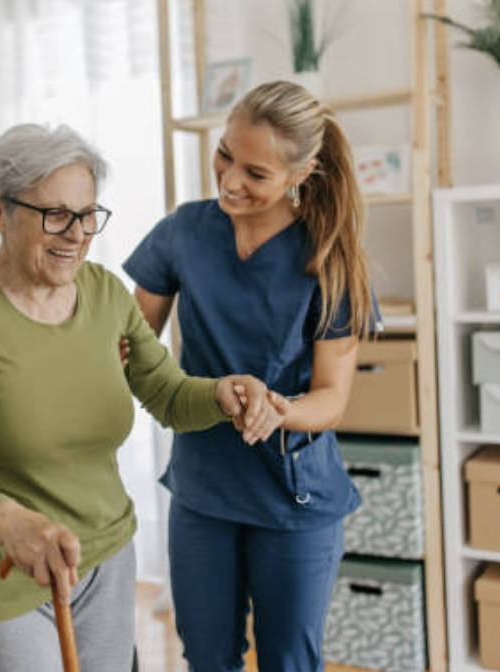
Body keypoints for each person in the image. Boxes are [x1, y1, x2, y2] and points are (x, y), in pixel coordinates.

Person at [0, 122, 282, 672]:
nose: (76, 234)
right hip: (1, 569)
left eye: (87, 215)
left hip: (106, 559)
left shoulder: (104, 293)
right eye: (55, 214)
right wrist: (7, 521)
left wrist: (223, 392)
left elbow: (168, 394)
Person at [122, 80, 379, 672]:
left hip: (293, 495)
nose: (230, 180)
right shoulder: (183, 233)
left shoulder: (328, 257)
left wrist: (280, 410)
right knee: (207, 658)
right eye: (225, 155)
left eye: (256, 173)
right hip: (203, 487)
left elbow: (331, 398)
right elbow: (130, 345)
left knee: (289, 661)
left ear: (301, 173)